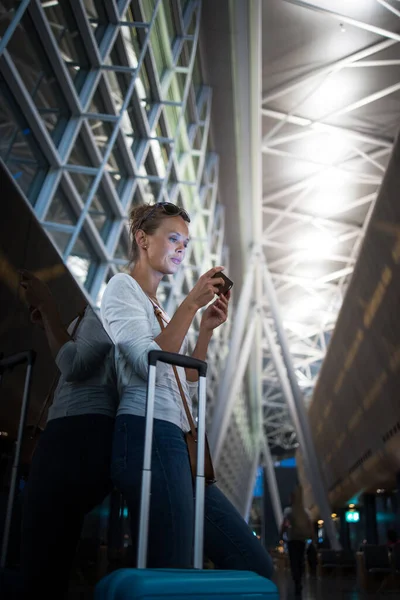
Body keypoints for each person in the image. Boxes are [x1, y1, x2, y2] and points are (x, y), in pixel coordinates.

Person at [100, 201, 273, 578]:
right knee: (174, 563)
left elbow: (184, 389)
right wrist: (191, 305)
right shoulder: (121, 287)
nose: (181, 248)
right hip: (147, 432)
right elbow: (148, 365)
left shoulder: (159, 308)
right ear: (142, 239)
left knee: (254, 563)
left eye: (185, 242)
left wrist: (205, 332)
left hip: (177, 439)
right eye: (173, 239)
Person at [17, 270, 118, 599]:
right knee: (54, 547)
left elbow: (73, 366)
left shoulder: (102, 315)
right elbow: (70, 362)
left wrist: (47, 305)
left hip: (73, 434)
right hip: (86, 437)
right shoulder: (96, 320)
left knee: (40, 551)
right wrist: (50, 321)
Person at [280, 485, 313, 596]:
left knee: (294, 562)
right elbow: (310, 526)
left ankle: (297, 581)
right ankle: (300, 579)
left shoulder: (289, 511)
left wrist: (281, 536)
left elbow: (284, 525)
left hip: (292, 540)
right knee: (300, 560)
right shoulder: (306, 512)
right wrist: (313, 539)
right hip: (302, 540)